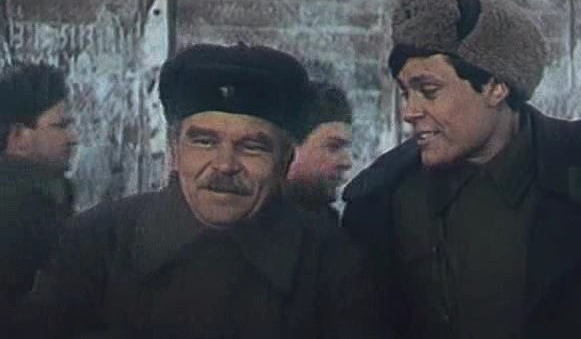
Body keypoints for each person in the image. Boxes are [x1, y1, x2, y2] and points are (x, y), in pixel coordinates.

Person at [341, 0, 581, 339]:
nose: (409, 111)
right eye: (405, 93)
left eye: (429, 91)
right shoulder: (382, 198)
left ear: (495, 87)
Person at [12, 43, 388, 338]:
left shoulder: (332, 264)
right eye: (204, 141)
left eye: (252, 146)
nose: (224, 164)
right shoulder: (97, 243)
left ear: (284, 160)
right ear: (175, 151)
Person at [0, 63, 76, 319]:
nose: (72, 138)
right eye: (59, 126)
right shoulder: (27, 205)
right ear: (18, 137)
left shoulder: (48, 193)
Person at [287, 81, 353, 223]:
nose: (347, 162)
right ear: (288, 149)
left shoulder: (327, 221)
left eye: (346, 147)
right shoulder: (248, 223)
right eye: (334, 147)